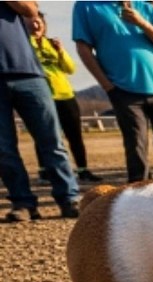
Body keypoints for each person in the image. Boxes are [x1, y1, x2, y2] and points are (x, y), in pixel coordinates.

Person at [73, 0, 153, 183]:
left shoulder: (145, 7)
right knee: (136, 147)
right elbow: (83, 48)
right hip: (124, 89)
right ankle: (139, 198)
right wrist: (107, 85)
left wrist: (142, 22)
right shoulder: (87, 6)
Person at [1, 0, 78, 222]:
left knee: (52, 142)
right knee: (4, 149)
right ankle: (23, 203)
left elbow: (30, 9)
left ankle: (69, 198)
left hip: (28, 73)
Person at [26, 11, 100, 182]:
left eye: (38, 22)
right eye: (30, 22)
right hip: (42, 97)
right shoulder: (24, 46)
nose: (35, 25)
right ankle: (45, 171)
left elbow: (70, 68)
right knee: (45, 135)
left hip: (65, 95)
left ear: (44, 25)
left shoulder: (51, 43)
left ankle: (82, 170)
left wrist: (60, 51)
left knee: (75, 135)